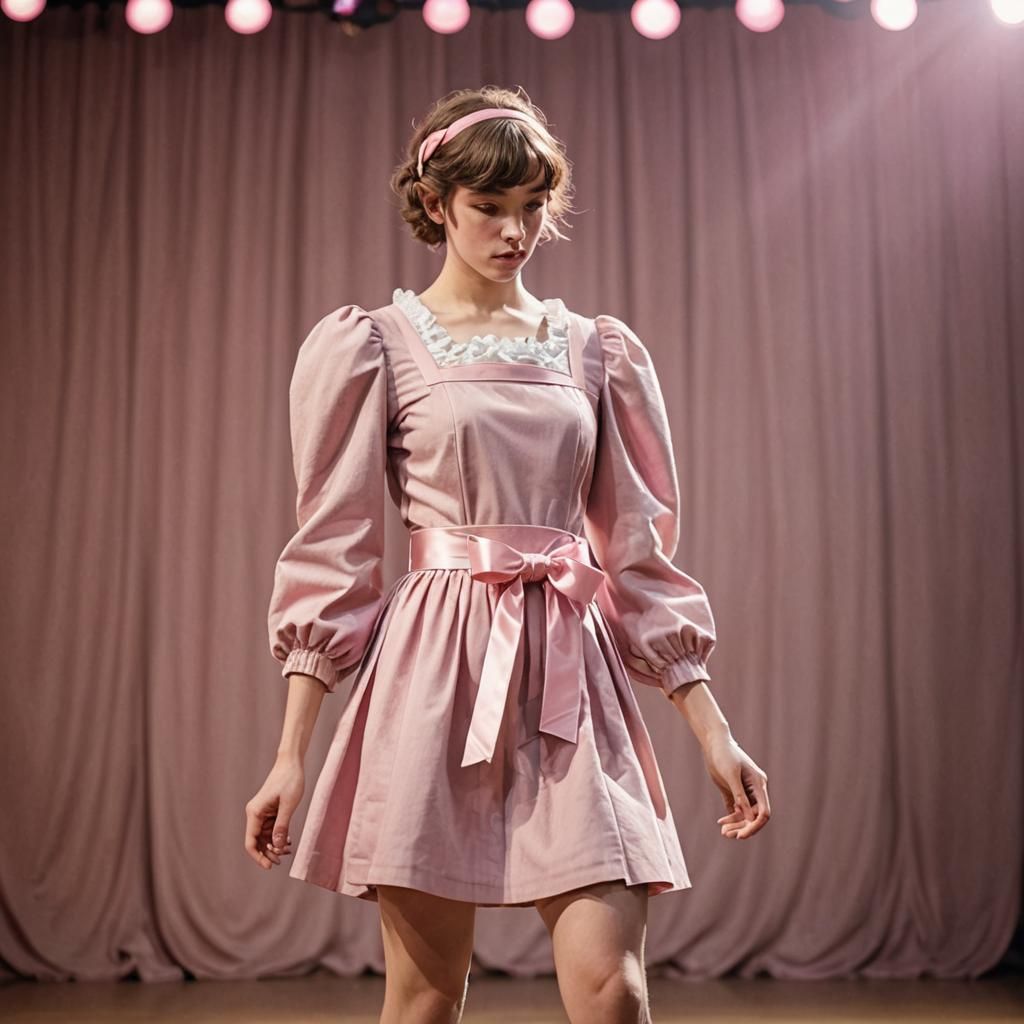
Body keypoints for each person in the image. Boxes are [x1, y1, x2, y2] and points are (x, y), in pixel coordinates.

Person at [244, 84, 770, 1024]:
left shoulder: (594, 350)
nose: (514, 230)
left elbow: (638, 554)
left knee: (614, 991)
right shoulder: (378, 344)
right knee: (425, 1002)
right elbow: (336, 550)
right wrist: (291, 753)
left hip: (570, 670)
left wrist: (712, 728)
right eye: (490, 207)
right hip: (434, 678)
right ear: (437, 202)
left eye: (533, 208)